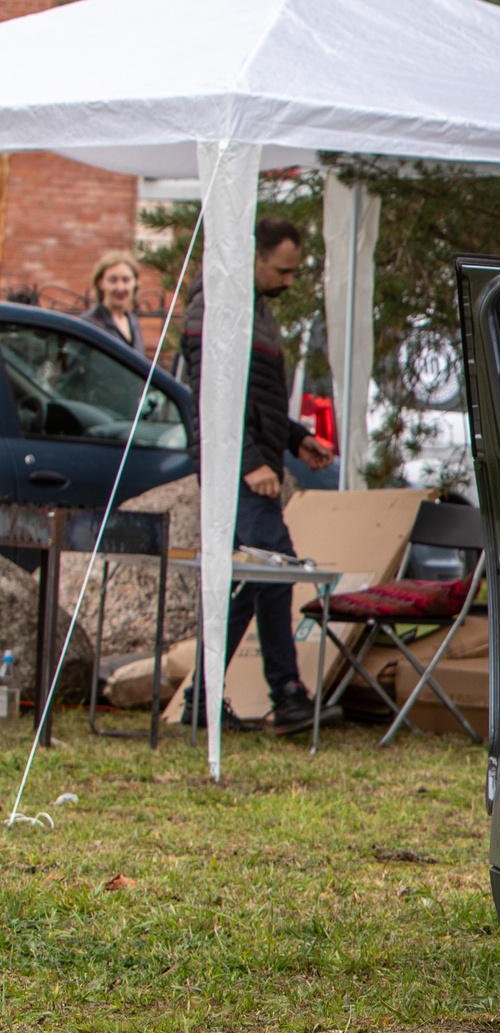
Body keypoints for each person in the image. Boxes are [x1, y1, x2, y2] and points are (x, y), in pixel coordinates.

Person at [179, 217, 335, 733]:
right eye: (283, 269)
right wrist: (250, 463)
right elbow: (213, 396)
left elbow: (255, 398)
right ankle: (286, 692)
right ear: (253, 256)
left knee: (255, 578)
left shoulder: (256, 307)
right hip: (236, 470)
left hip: (253, 461)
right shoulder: (216, 305)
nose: (290, 281)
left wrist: (294, 438)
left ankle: (203, 699)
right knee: (275, 568)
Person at [82, 250, 149, 352]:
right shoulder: (88, 323)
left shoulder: (133, 321)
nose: (120, 288)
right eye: (113, 280)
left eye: (126, 280)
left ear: (135, 282)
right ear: (100, 283)